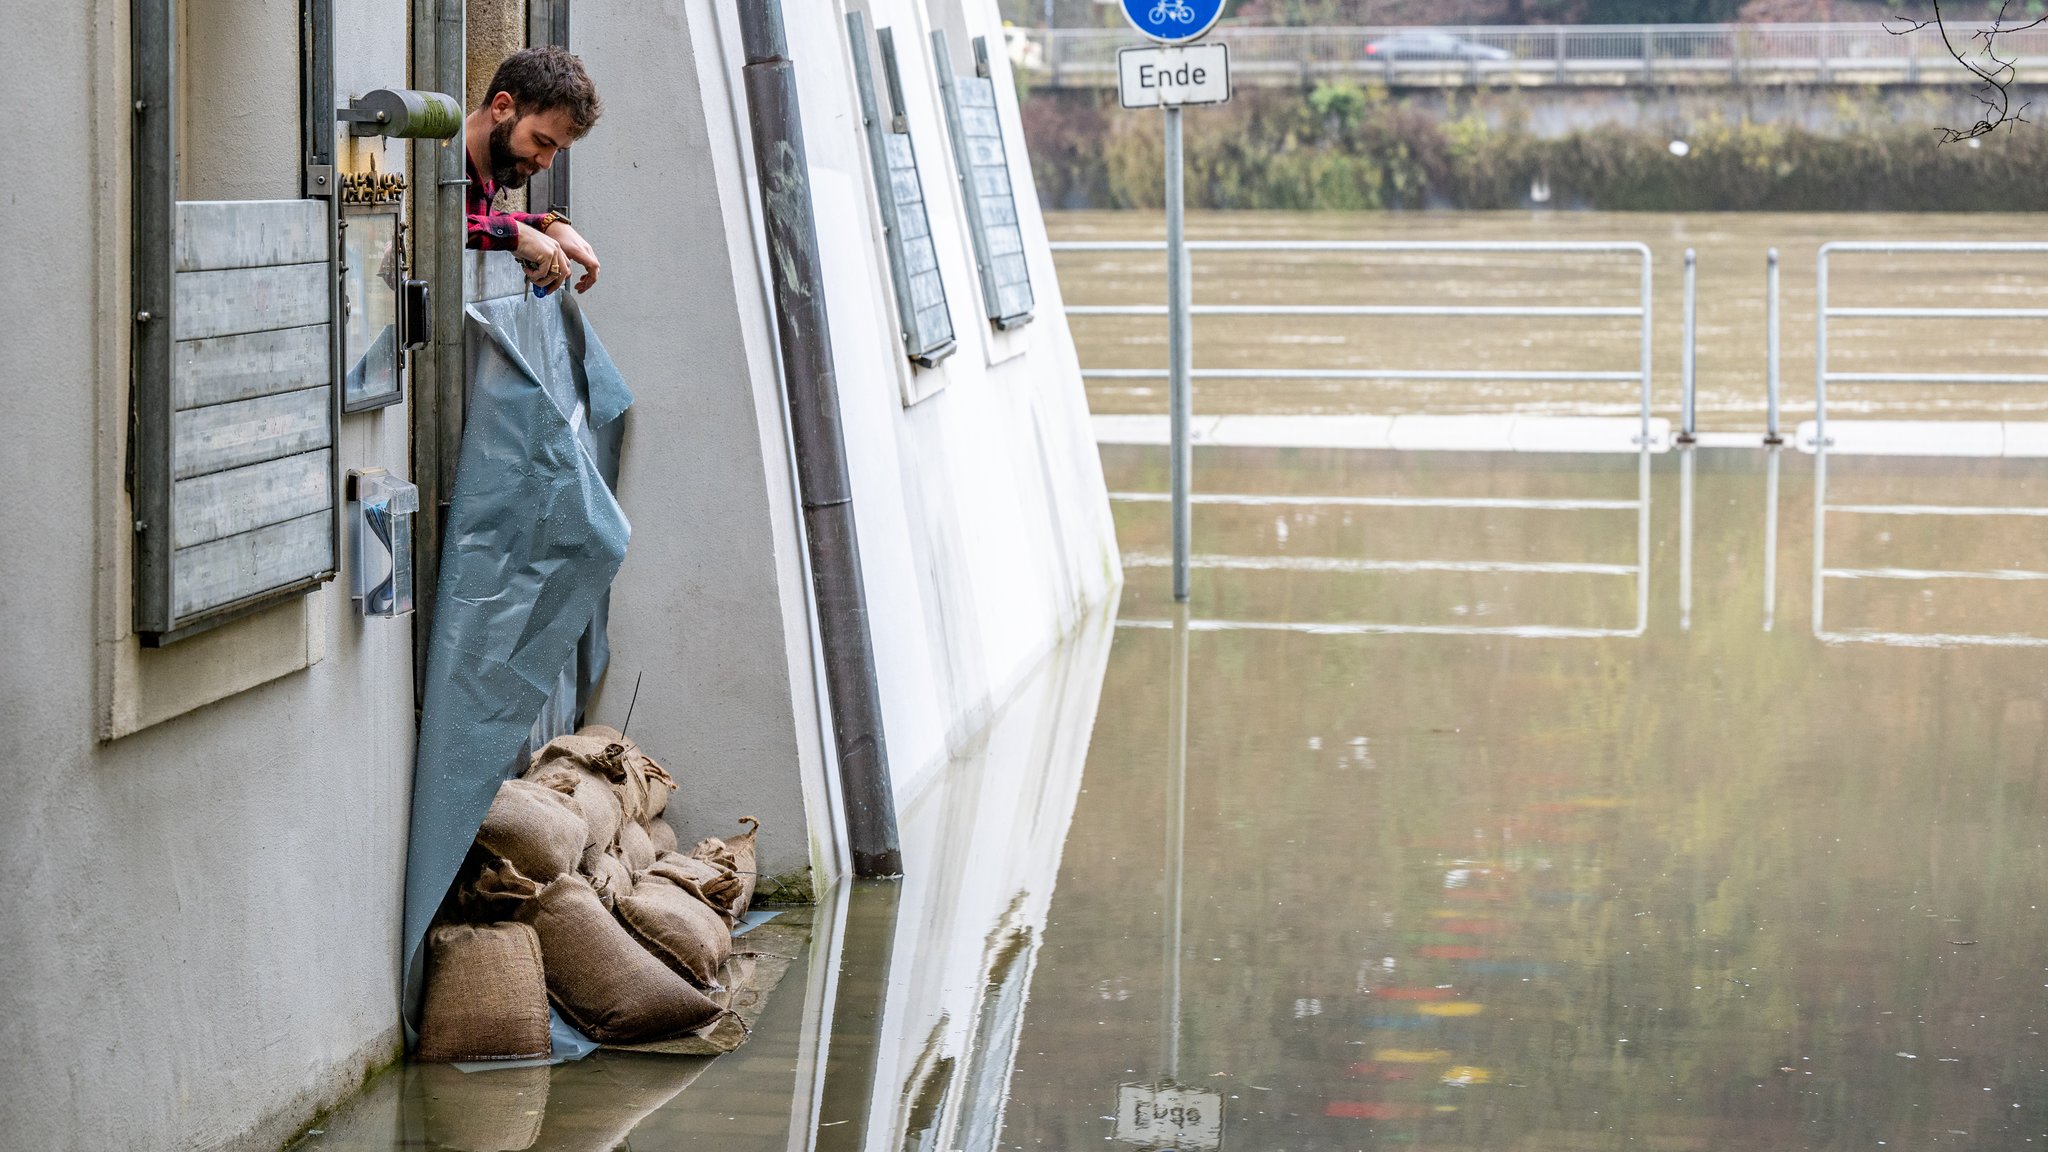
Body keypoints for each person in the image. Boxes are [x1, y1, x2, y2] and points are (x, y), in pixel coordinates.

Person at [464, 45, 603, 294]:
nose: (546, 163)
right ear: (502, 107)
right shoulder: (431, 164)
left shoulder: (488, 174)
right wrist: (520, 235)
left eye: (558, 150)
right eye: (542, 141)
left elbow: (472, 223)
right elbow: (433, 233)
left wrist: (545, 225)